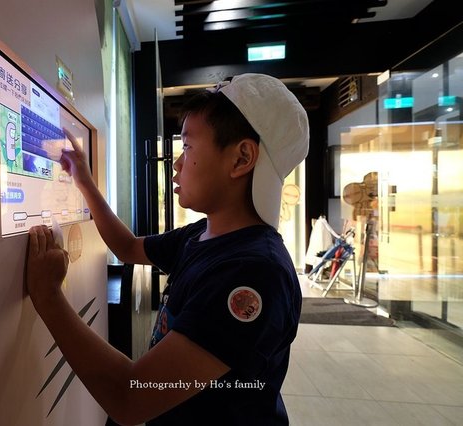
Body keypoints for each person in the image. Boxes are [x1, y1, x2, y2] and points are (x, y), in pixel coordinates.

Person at [26, 73, 309, 425]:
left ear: (241, 159)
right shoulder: (205, 234)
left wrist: (48, 295)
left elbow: (130, 398)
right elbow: (128, 247)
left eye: (188, 147)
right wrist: (83, 179)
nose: (176, 164)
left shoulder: (254, 273)